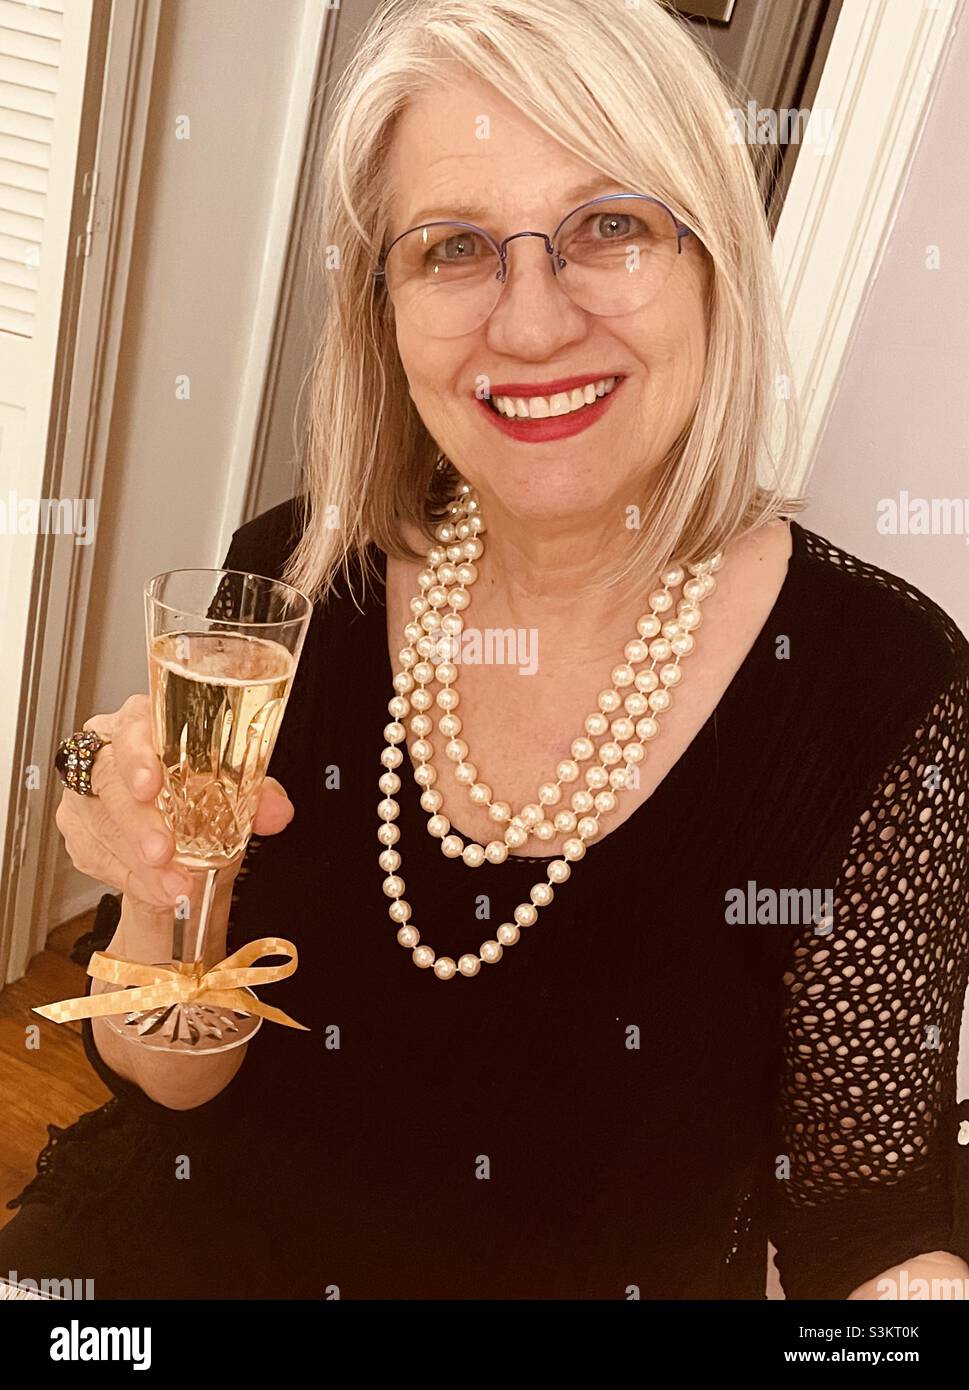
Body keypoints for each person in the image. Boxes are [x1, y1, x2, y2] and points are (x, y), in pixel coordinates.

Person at [2, 0, 967, 1300]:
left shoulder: (881, 686)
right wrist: (171, 883)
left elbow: (866, 1218)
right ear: (385, 312)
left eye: (607, 226)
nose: (527, 324)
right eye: (452, 247)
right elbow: (176, 1072)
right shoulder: (297, 577)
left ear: (711, 263)